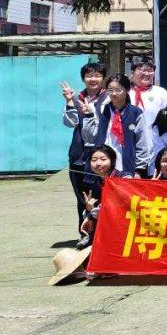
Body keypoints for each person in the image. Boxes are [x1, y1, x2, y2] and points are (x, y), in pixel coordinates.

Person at [61, 61, 107, 233]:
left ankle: (102, 234)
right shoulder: (77, 97)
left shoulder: (108, 98)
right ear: (83, 79)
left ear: (103, 78)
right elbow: (70, 123)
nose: (93, 79)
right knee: (82, 199)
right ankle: (85, 233)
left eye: (97, 75)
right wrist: (69, 101)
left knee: (102, 197)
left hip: (102, 155)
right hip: (79, 156)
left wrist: (91, 113)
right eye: (89, 76)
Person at [83, 73, 151, 177]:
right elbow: (89, 137)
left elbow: (141, 142)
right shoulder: (102, 110)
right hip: (102, 166)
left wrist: (139, 169)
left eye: (119, 90)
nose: (114, 94)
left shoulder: (135, 113)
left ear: (127, 90)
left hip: (125, 165)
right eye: (110, 90)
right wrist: (88, 116)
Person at [76, 145, 121, 248]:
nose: (98, 163)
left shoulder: (122, 178)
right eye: (94, 160)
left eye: (103, 159)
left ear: (112, 161)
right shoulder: (94, 183)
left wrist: (94, 211)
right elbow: (94, 210)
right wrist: (89, 212)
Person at [129, 57, 167, 126]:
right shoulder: (124, 92)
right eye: (143, 70)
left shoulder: (161, 92)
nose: (147, 74)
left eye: (150, 70)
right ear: (132, 72)